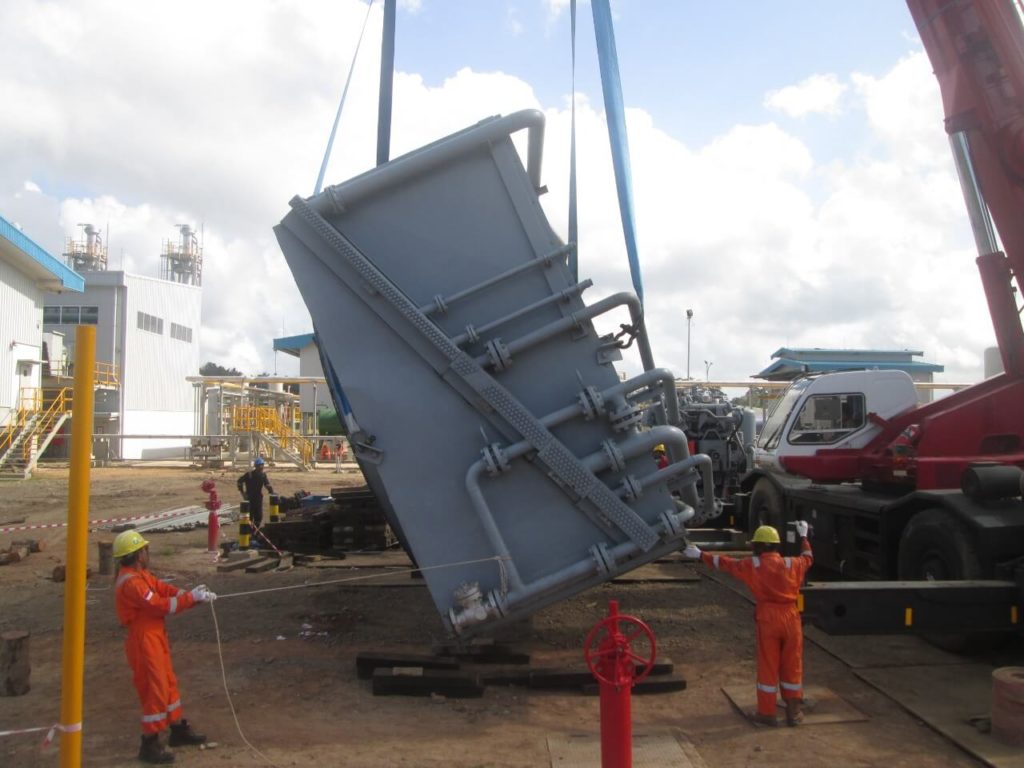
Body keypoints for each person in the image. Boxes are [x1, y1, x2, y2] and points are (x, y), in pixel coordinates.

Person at [684, 521, 813, 727]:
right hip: (792, 616)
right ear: (776, 545)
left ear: (760, 546)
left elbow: (725, 563)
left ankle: (767, 713)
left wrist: (700, 555)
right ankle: (794, 712)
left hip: (768, 617)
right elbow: (808, 558)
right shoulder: (792, 564)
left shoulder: (752, 566)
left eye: (755, 545)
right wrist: (804, 536)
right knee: (793, 664)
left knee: (768, 665)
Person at [112, 530, 215, 763]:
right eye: (145, 550)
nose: (148, 553)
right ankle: (149, 744)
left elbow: (162, 589)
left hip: (154, 635)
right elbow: (159, 605)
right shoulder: (132, 584)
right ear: (139, 554)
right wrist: (190, 599)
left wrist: (191, 595)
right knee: (154, 690)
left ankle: (177, 729)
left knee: (167, 683)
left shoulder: (140, 575)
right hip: (144, 640)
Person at [237, 457, 275, 530]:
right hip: (249, 498)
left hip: (258, 498)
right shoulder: (249, 475)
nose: (261, 467)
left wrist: (272, 493)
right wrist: (242, 493)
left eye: (262, 465)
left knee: (259, 516)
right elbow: (239, 482)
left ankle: (254, 531)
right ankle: (249, 532)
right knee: (249, 516)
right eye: (259, 465)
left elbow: (267, 485)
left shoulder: (263, 475)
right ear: (256, 466)